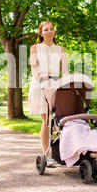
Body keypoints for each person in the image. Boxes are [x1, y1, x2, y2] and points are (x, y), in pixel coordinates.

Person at [29, 21, 69, 165]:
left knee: (58, 121)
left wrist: (65, 83)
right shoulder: (35, 48)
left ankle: (63, 153)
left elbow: (65, 71)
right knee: (46, 121)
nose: (50, 31)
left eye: (52, 29)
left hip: (56, 85)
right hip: (41, 85)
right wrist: (40, 79)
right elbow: (34, 67)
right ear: (41, 33)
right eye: (46, 29)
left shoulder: (61, 50)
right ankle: (47, 155)